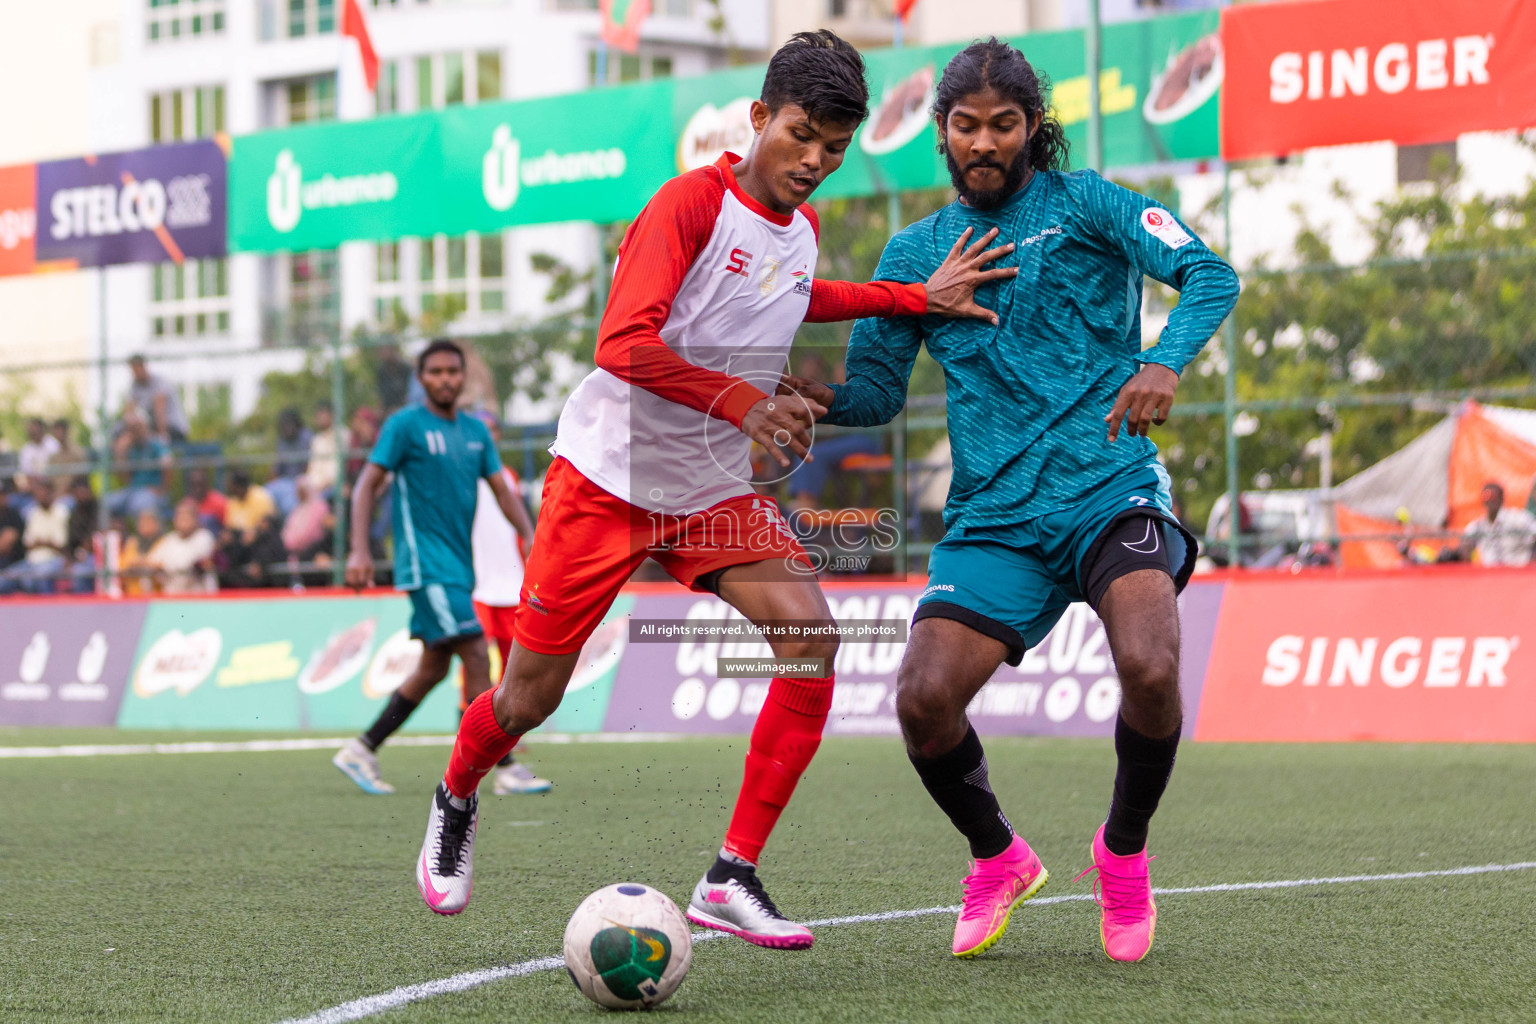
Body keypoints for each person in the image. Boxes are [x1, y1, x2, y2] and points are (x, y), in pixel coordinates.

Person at [414, 30, 1016, 939]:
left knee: (812, 640)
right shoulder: (688, 205)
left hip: (709, 492)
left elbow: (801, 293)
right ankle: (457, 792)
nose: (814, 161)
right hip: (606, 481)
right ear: (758, 118)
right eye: (800, 135)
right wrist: (739, 399)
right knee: (527, 699)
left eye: (834, 147)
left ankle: (731, 876)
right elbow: (621, 344)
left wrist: (911, 298)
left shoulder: (801, 229)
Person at [781, 39, 1239, 962]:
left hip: (1107, 482)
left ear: (1034, 128)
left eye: (1003, 125)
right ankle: (997, 857)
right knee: (922, 701)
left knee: (1151, 667)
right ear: (942, 137)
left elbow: (1210, 275)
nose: (984, 143)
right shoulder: (913, 253)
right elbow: (872, 394)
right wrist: (798, 396)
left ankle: (1122, 852)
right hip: (994, 515)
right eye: (965, 127)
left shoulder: (1091, 204)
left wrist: (1161, 361)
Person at [333, 340, 551, 797]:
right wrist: (359, 549)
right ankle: (503, 766)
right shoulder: (404, 426)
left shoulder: (474, 432)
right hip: (424, 564)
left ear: (463, 376)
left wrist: (530, 534)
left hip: (458, 567)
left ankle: (363, 748)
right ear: (421, 377)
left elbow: (503, 491)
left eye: (453, 371)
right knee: (475, 651)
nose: (446, 379)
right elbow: (367, 485)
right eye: (435, 372)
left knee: (432, 668)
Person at [466, 411, 550, 796]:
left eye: (493, 429)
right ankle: (489, 757)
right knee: (476, 666)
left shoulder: (508, 477)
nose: (489, 436)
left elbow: (518, 527)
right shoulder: (463, 476)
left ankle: (500, 746)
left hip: (511, 585)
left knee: (512, 672)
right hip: (477, 587)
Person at [0, 478, 70, 594]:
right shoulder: (33, 512)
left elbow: (60, 545)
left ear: (51, 493)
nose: (40, 495)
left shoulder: (61, 511)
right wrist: (45, 542)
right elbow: (28, 543)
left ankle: (48, 608)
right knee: (4, 579)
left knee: (36, 578)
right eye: (38, 493)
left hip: (54, 560)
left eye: (43, 492)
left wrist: (42, 543)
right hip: (31, 561)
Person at [107, 409, 171, 520]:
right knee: (105, 504)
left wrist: (162, 489)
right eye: (130, 428)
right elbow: (124, 479)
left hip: (151, 492)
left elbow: (168, 464)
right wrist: (120, 453)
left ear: (144, 426)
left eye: (136, 427)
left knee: (139, 504)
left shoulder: (156, 443)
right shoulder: (130, 448)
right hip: (133, 490)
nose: (133, 431)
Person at [145, 499, 217, 594]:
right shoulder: (169, 539)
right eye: (179, 518)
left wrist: (164, 566)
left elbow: (188, 563)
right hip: (173, 598)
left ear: (196, 519)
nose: (183, 522)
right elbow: (150, 561)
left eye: (186, 518)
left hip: (199, 598)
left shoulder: (204, 536)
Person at [1461, 482, 1535, 567]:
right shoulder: (1478, 526)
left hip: (1518, 572)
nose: (1490, 501)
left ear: (1501, 498)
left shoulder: (1518, 519)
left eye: (1494, 497)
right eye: (1486, 497)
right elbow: (1464, 544)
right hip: (1490, 574)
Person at [127, 354, 190, 443]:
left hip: (173, 429)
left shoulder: (159, 382)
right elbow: (129, 413)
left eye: (136, 369)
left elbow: (160, 413)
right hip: (154, 429)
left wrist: (162, 436)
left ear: (143, 366)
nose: (134, 373)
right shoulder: (135, 386)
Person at [15, 417, 60, 490]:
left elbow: (59, 468)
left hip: (53, 485)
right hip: (34, 487)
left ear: (42, 430)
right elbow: (25, 473)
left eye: (36, 431)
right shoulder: (25, 450)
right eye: (31, 431)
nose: (33, 433)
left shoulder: (53, 445)